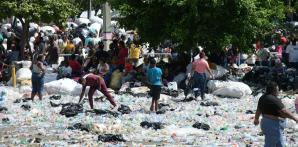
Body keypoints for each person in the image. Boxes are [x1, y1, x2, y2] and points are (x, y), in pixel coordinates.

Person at [254, 82, 298, 147]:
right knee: (270, 144)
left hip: (266, 123)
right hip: (273, 125)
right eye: (277, 90)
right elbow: (284, 112)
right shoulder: (273, 100)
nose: (278, 91)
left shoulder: (262, 98)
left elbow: (258, 109)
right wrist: (295, 118)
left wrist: (256, 119)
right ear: (273, 90)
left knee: (279, 143)